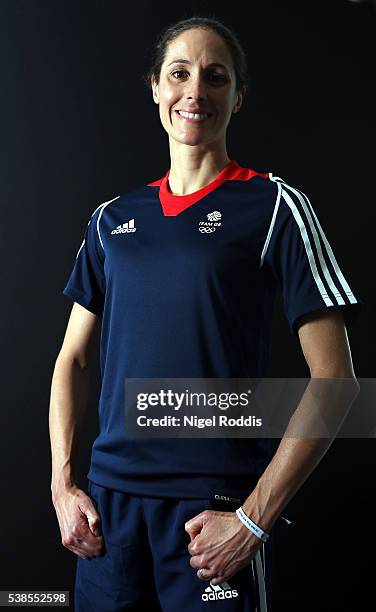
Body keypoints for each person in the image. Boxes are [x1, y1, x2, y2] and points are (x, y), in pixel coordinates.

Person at [49, 16, 363, 612]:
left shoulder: (274, 206)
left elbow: (338, 383)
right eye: (179, 74)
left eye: (215, 78)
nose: (196, 91)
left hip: (210, 515)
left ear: (237, 97)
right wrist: (64, 486)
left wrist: (253, 520)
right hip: (109, 518)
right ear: (155, 88)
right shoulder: (112, 220)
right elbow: (73, 358)